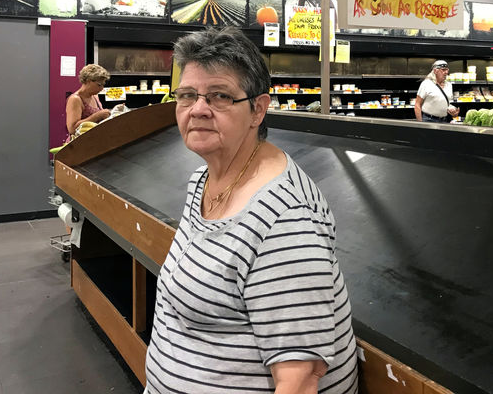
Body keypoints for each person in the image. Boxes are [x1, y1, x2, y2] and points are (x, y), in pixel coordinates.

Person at [144, 27, 358, 394]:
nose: (198, 109)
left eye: (220, 96)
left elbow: (300, 379)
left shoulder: (286, 217)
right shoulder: (203, 180)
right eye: (187, 95)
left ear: (258, 109)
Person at [64, 63, 111, 142]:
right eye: (99, 85)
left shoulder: (95, 96)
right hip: (79, 145)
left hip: (93, 142)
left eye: (103, 85)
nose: (102, 88)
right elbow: (72, 129)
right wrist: (97, 116)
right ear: (88, 81)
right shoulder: (75, 99)